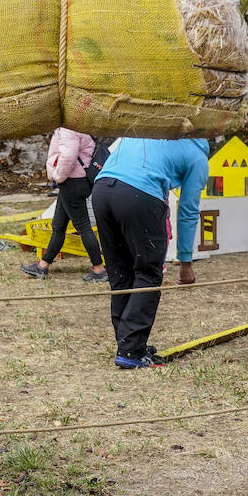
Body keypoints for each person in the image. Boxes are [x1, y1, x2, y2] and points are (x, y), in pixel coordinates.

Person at [92, 137, 207, 369]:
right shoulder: (198, 156)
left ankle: (128, 344)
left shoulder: (148, 129)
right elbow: (188, 210)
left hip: (101, 189)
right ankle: (131, 351)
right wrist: (185, 262)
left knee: (120, 272)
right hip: (139, 194)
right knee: (148, 272)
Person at [20, 127, 108, 282]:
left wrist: (57, 176)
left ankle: (99, 269)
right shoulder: (77, 126)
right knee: (58, 225)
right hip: (75, 181)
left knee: (83, 227)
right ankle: (43, 266)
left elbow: (68, 157)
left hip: (71, 182)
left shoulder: (69, 129)